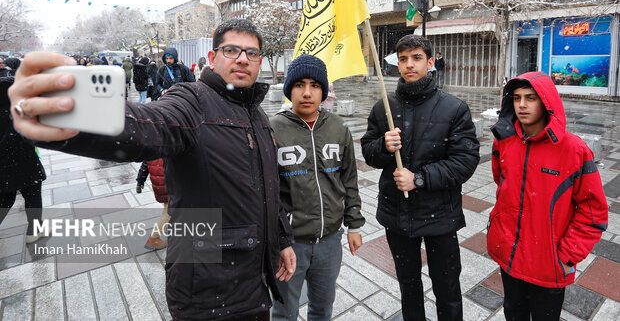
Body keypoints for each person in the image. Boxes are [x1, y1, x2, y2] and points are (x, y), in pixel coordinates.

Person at [8, 19, 296, 321]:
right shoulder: (192, 101)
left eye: (251, 53)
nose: (242, 58)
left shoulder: (258, 113)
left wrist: (283, 240)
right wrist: (73, 115)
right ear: (212, 58)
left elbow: (269, 187)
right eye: (231, 50)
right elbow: (149, 124)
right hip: (209, 293)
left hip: (256, 286)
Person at [361, 34, 479, 321]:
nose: (409, 65)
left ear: (430, 62)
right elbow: (369, 153)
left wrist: (420, 179)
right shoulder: (384, 108)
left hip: (440, 215)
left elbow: (465, 161)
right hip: (397, 215)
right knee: (409, 285)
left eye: (416, 58)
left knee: (447, 287)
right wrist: (384, 147)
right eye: (403, 59)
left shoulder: (454, 108)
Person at [488, 72, 608, 320]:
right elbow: (503, 185)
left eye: (530, 98)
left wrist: (566, 255)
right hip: (509, 255)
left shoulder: (574, 150)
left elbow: (593, 211)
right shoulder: (504, 142)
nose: (521, 105)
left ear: (546, 102)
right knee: (513, 313)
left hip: (548, 264)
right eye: (517, 98)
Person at [270, 55, 365, 321]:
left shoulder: (337, 127)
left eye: (315, 85)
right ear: (290, 89)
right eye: (300, 84)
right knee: (284, 312)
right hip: (290, 243)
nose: (307, 92)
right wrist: (279, 238)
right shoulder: (273, 128)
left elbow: (349, 180)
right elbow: (269, 192)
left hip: (330, 241)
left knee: (322, 309)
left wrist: (354, 224)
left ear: (324, 90)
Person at [0, 75, 47, 243]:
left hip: (3, 166)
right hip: (25, 162)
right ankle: (34, 230)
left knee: (5, 197)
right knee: (33, 194)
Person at [135, 159, 170, 250]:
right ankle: (153, 239)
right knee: (168, 212)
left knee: (170, 208)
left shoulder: (152, 148)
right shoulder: (170, 148)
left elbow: (144, 166)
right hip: (169, 186)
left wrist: (140, 181)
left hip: (159, 187)